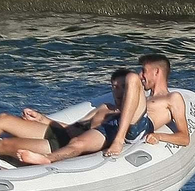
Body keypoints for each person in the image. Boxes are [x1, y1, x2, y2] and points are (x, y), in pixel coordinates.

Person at [16, 68, 152, 166]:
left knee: (132, 77)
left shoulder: (141, 105)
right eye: (115, 87)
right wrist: (42, 119)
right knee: (77, 142)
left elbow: (134, 81)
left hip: (133, 125)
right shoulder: (106, 109)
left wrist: (158, 137)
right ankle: (47, 158)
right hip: (111, 128)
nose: (119, 91)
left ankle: (119, 140)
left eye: (123, 87)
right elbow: (72, 129)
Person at [138, 53, 191, 147]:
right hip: (120, 124)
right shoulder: (144, 98)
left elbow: (184, 138)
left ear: (156, 72)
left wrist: (159, 136)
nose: (140, 75)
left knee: (131, 79)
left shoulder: (172, 98)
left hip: (139, 127)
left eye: (144, 71)